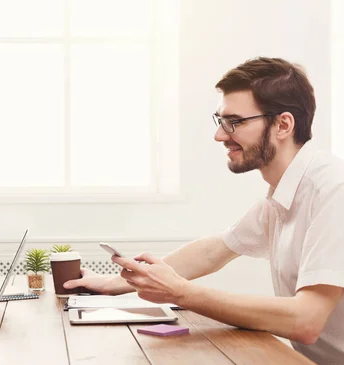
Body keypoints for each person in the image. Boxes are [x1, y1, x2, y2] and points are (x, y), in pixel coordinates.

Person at [64, 57, 344, 364]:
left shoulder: (332, 190)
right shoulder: (285, 194)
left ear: (283, 124)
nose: (220, 135)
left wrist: (180, 293)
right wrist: (117, 284)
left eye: (234, 122)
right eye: (220, 121)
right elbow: (217, 249)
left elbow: (306, 322)